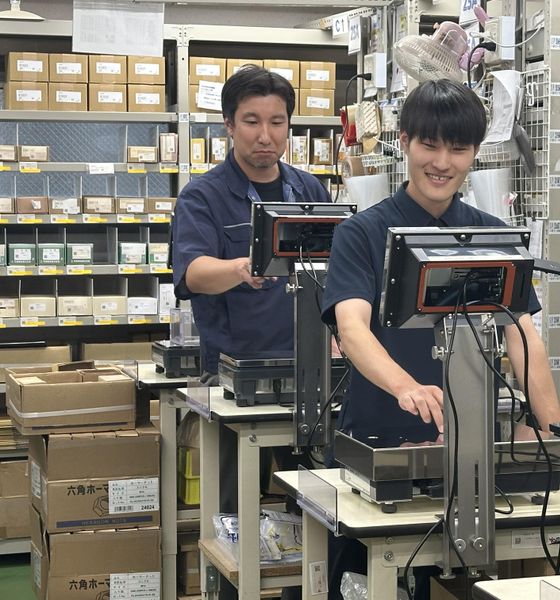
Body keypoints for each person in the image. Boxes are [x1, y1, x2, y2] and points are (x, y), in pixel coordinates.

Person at [321, 79, 560, 599]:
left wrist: (554, 438)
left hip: (469, 460)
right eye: (429, 145)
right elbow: (352, 329)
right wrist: (406, 386)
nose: (442, 162)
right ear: (404, 141)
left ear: (474, 153)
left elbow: (523, 336)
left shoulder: (491, 236)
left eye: (458, 148)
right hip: (379, 451)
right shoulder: (362, 234)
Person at [172, 65, 330, 600]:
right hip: (234, 380)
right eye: (251, 121)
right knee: (230, 514)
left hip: (309, 374)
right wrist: (241, 267)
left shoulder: (308, 189)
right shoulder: (203, 196)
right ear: (228, 125)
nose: (265, 135)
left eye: (277, 122)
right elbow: (193, 273)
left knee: (315, 505)